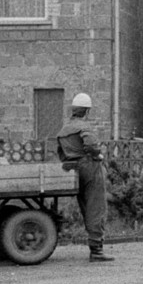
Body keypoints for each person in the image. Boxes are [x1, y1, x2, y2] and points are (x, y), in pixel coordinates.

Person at [56, 92, 114, 262]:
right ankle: (96, 250)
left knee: (84, 206)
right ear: (87, 111)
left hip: (72, 170)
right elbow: (91, 144)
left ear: (74, 110)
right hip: (89, 167)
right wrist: (97, 155)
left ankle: (95, 245)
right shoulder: (84, 127)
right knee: (96, 207)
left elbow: (60, 152)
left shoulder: (63, 130)